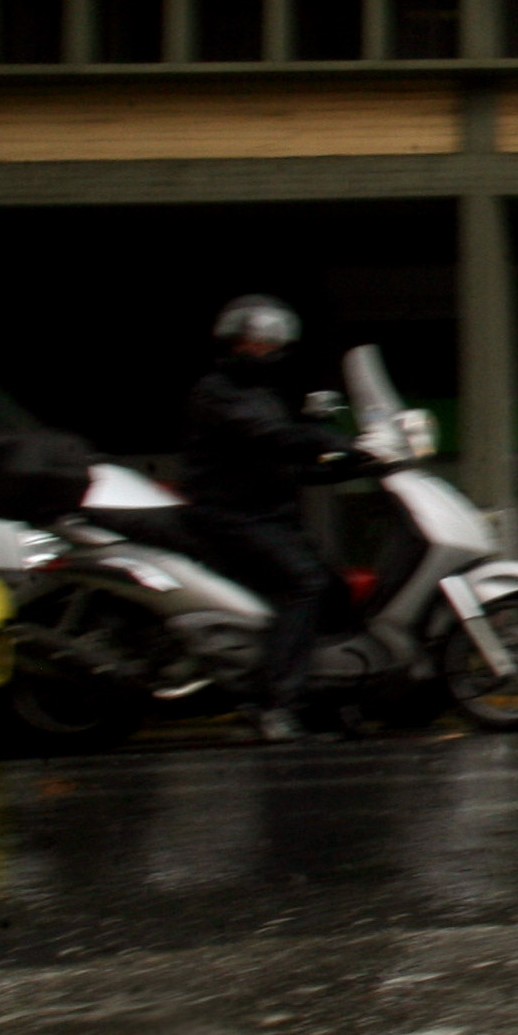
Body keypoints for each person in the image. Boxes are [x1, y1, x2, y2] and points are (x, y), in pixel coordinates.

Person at [181, 295, 369, 743]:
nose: (265, 352)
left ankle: (327, 699)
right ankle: (275, 705)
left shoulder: (260, 395)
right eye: (256, 344)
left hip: (268, 516)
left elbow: (278, 459)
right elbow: (272, 437)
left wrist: (343, 466)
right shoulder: (217, 393)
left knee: (337, 590)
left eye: (271, 345)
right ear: (232, 344)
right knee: (304, 584)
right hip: (231, 517)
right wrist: (332, 442)